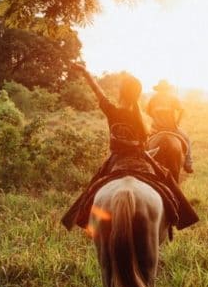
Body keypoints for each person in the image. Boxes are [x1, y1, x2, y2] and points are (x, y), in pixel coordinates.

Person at [61, 65, 198, 232]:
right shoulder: (139, 118)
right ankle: (183, 216)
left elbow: (98, 92)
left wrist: (87, 73)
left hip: (116, 159)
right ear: (137, 94)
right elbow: (145, 142)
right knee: (168, 178)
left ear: (121, 93)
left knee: (92, 185)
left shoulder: (112, 110)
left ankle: (77, 218)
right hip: (141, 157)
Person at [147, 80, 194, 173]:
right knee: (187, 139)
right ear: (167, 89)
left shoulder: (153, 99)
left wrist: (156, 119)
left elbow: (148, 112)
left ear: (158, 89)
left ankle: (144, 162)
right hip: (172, 129)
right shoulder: (173, 98)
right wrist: (177, 122)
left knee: (145, 143)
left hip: (155, 130)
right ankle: (188, 164)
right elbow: (182, 110)